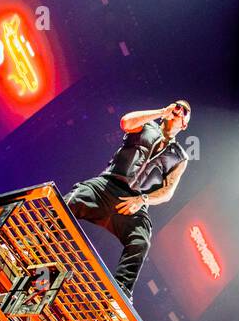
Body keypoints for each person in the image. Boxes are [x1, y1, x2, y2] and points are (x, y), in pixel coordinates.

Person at [63, 101, 192, 299]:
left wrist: (142, 200)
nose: (178, 111)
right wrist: (160, 112)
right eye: (175, 106)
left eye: (184, 112)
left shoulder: (180, 157)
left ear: (184, 125)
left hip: (134, 202)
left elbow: (168, 192)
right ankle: (33, 245)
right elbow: (126, 122)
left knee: (141, 241)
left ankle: (120, 296)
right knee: (73, 199)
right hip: (107, 186)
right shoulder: (147, 125)